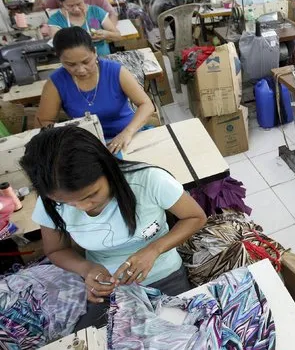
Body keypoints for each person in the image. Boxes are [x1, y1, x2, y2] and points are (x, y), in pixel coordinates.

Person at [20, 126, 207, 330]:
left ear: (107, 168)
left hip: (164, 275)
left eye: (91, 195)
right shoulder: (50, 204)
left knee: (181, 334)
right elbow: (56, 250)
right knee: (98, 340)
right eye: (69, 203)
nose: (83, 207)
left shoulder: (149, 180)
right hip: (108, 287)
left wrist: (154, 249)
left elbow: (195, 217)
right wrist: (87, 269)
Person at [36, 27, 154, 152]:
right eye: (71, 64)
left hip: (127, 136)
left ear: (95, 52)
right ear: (60, 60)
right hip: (87, 145)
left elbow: (146, 104)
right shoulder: (56, 83)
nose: (81, 70)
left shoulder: (115, 71)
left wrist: (128, 132)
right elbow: (44, 121)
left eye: (86, 61)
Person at [47, 0, 120, 56]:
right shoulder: (56, 20)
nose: (76, 9)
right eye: (70, 6)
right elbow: (57, 44)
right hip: (76, 63)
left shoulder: (95, 12)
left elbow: (117, 36)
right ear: (61, 3)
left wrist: (105, 34)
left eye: (79, 4)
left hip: (103, 58)